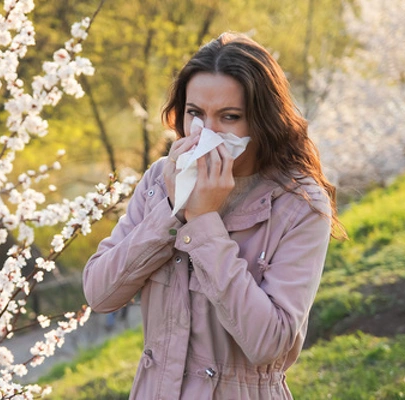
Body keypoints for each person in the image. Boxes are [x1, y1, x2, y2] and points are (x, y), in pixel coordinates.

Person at [83, 31, 345, 399]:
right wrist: (172, 212)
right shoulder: (161, 178)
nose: (208, 132)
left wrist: (204, 222)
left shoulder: (299, 204)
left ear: (261, 121)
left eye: (230, 117)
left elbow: (270, 342)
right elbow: (99, 293)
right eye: (196, 114)